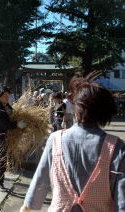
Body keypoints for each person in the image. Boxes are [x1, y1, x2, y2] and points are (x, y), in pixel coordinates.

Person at [20, 75, 125, 211]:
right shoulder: (117, 147)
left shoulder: (55, 139)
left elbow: (41, 180)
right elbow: (122, 200)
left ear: (77, 109)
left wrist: (28, 206)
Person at [0, 87, 26, 191]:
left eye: (8, 95)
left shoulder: (5, 107)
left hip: (5, 139)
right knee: (3, 162)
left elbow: (12, 114)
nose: (7, 97)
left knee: (3, 161)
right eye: (4, 96)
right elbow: (6, 125)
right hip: (0, 139)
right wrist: (17, 124)